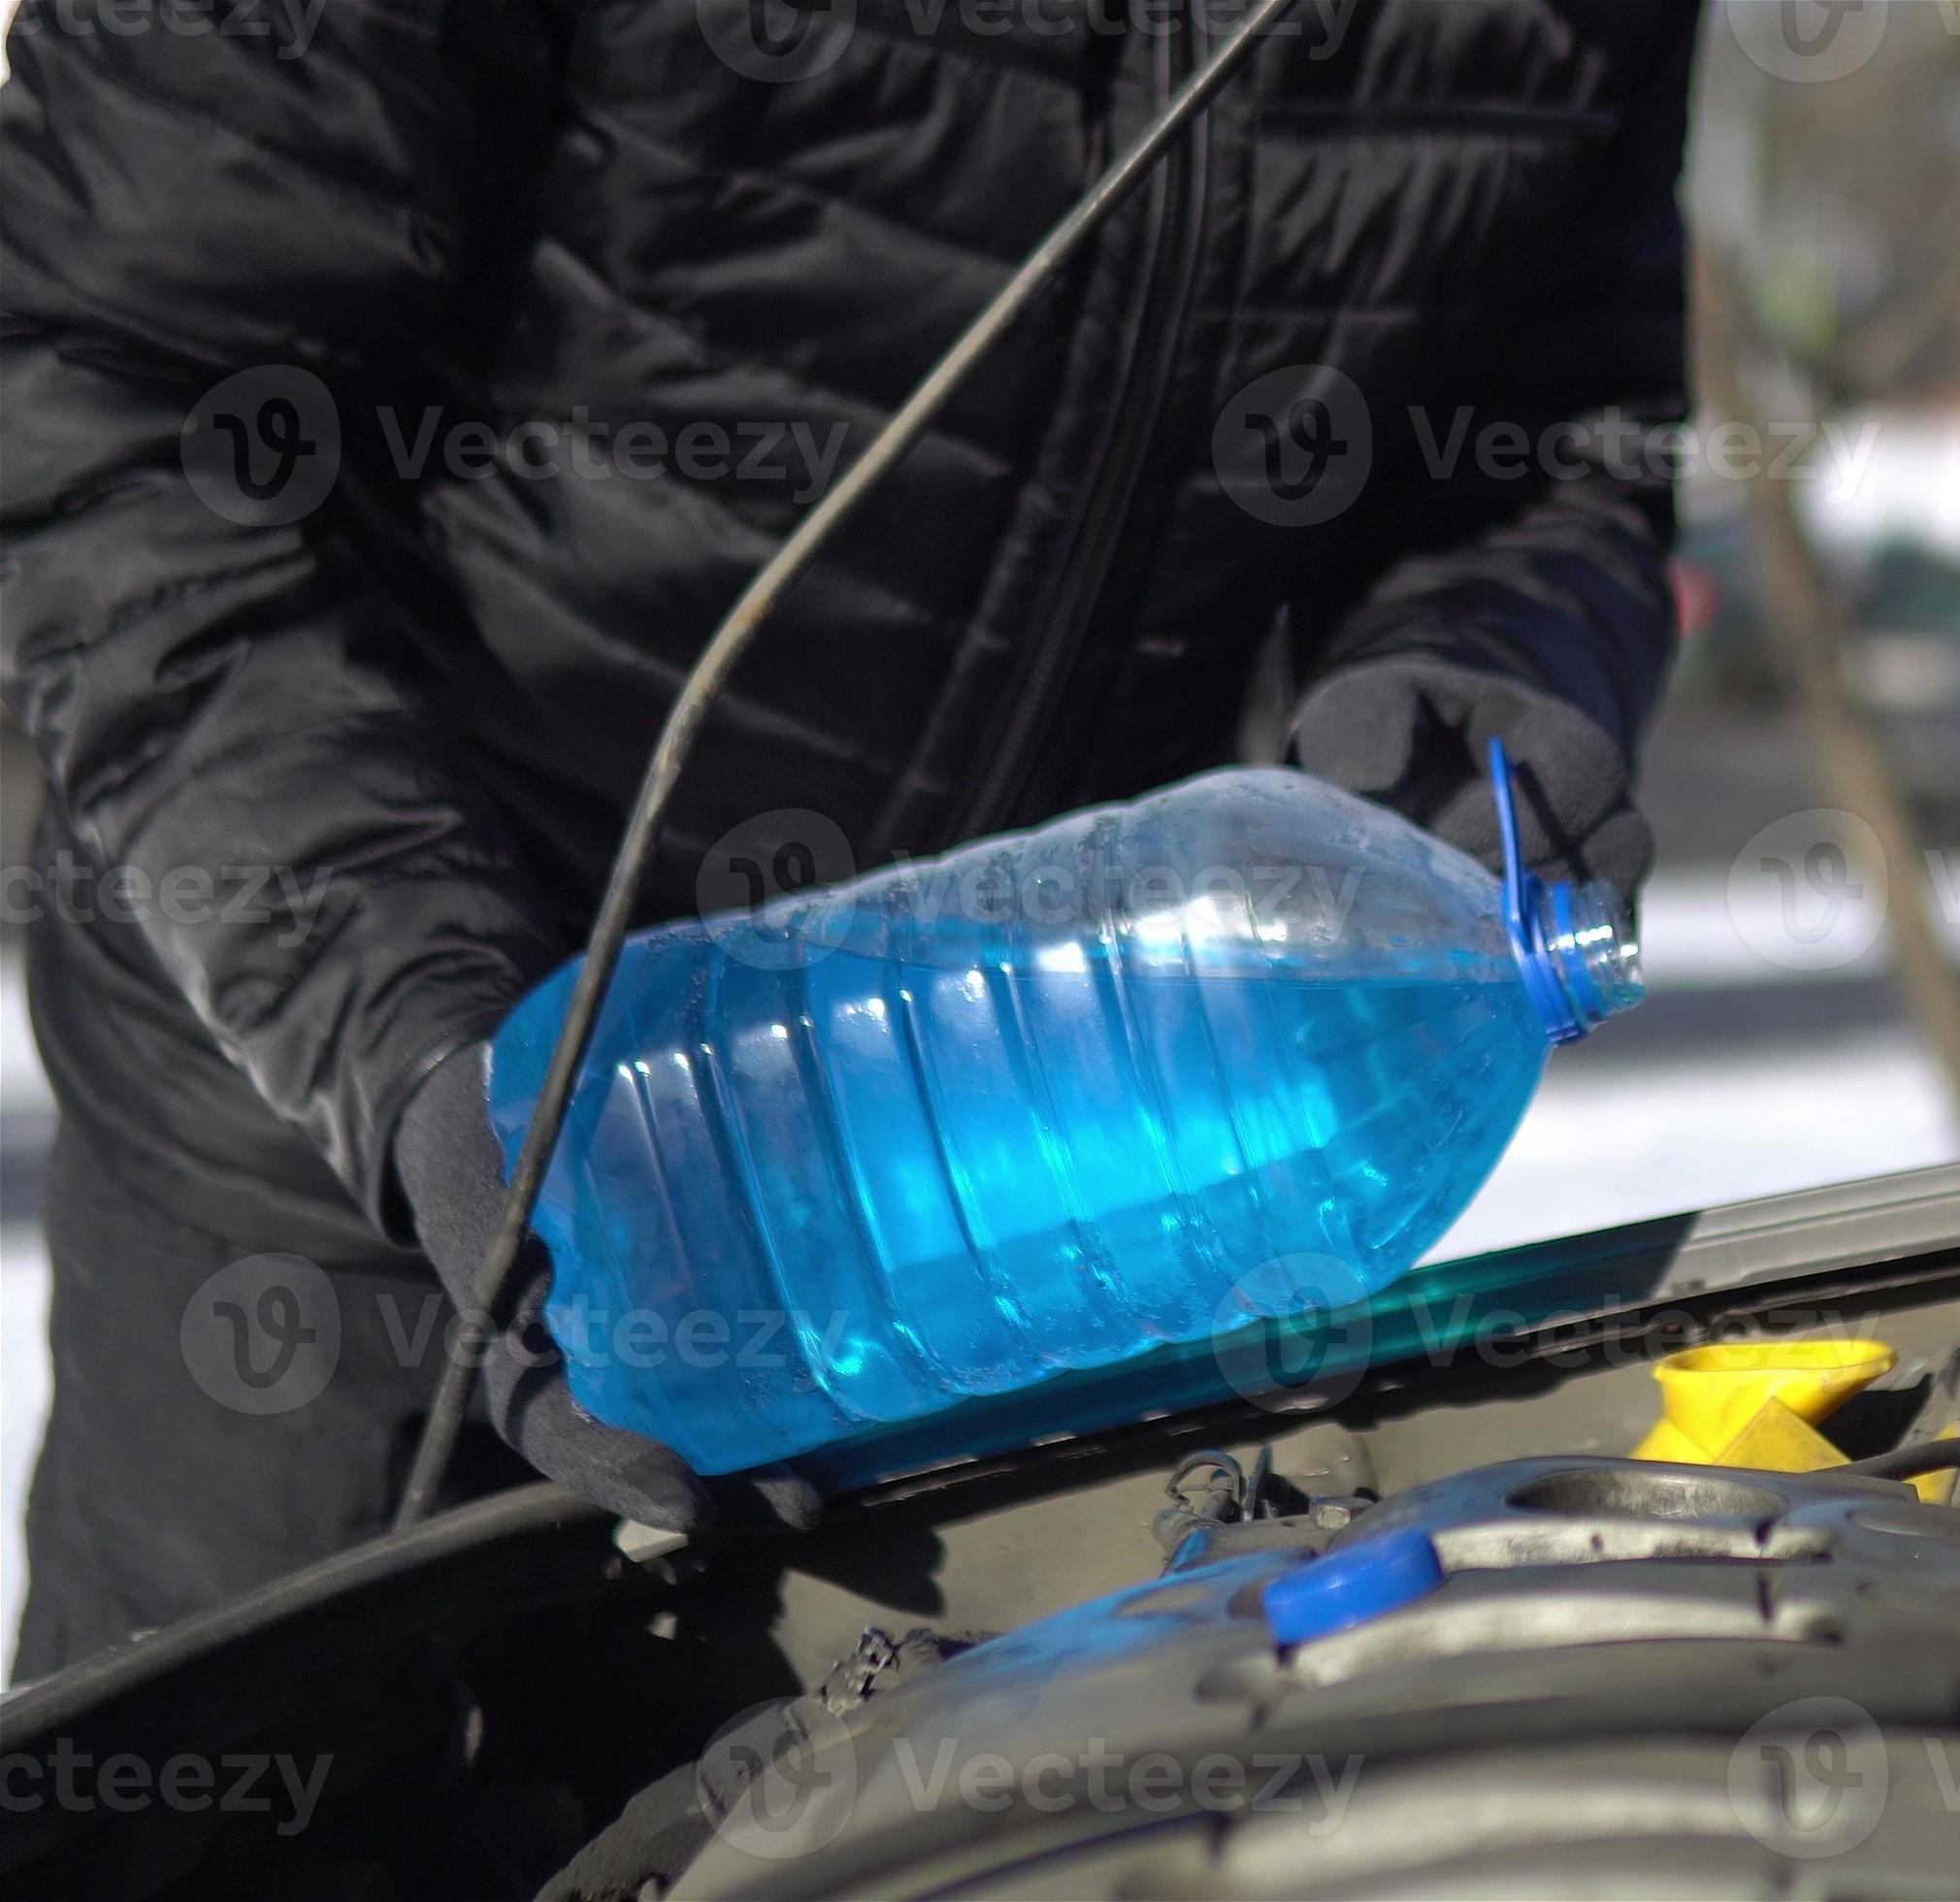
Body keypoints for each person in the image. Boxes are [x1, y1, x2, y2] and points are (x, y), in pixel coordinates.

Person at [0, 0, 1693, 1681]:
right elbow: (103, 397)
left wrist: (1479, 659)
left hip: (1002, 1195)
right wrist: (422, 1025)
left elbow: (1549, 433)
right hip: (350, 1132)